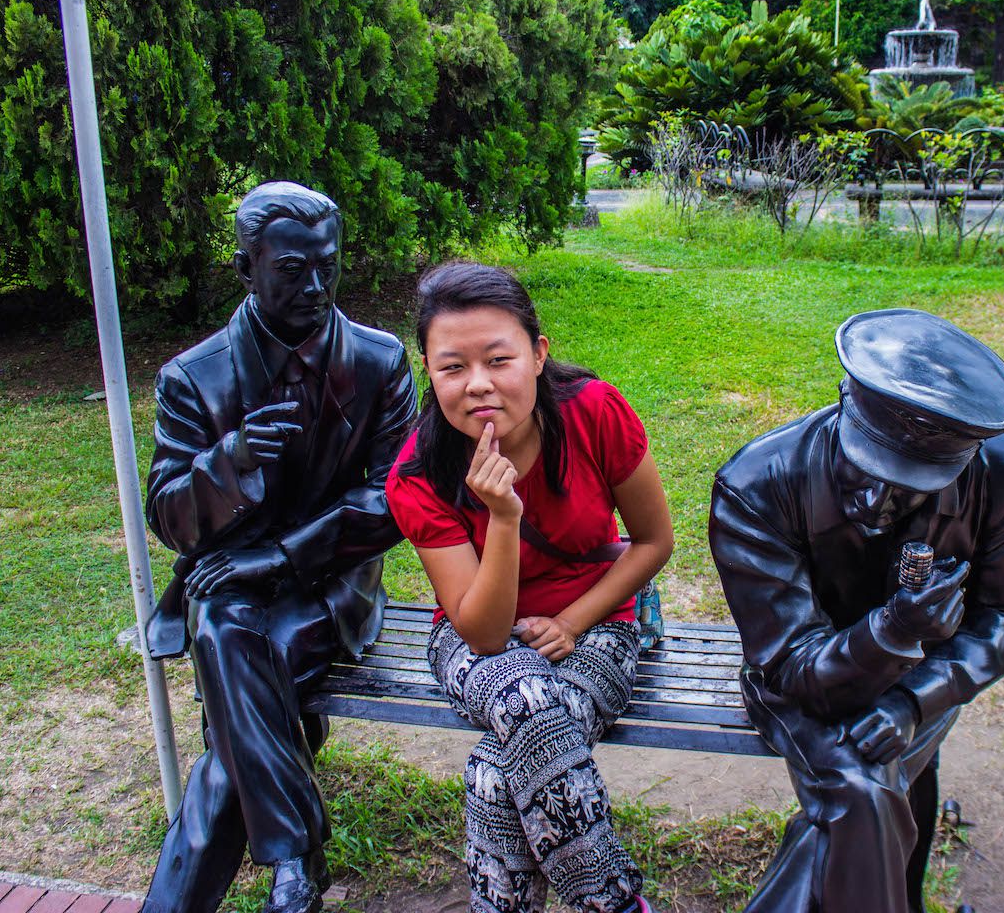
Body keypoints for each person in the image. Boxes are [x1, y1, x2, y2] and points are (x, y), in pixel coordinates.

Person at [708, 308, 1004, 913]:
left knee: (861, 794)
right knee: (863, 788)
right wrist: (893, 630)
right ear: (844, 405)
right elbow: (792, 669)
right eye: (864, 467)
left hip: (924, 678)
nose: (875, 500)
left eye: (911, 485)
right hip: (798, 685)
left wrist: (913, 702)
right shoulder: (757, 484)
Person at [140, 181, 417, 913]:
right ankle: (295, 864)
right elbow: (167, 519)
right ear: (247, 269)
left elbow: (395, 500)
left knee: (241, 670)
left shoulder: (378, 362)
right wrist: (226, 464)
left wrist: (283, 557)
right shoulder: (192, 380)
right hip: (224, 585)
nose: (316, 286)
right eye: (293, 270)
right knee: (230, 622)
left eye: (328, 265)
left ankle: (278, 866)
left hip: (328, 584)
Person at [386, 262, 673, 913]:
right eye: (453, 366)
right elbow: (483, 633)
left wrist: (572, 622)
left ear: (539, 355)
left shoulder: (594, 412)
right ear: (428, 372)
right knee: (522, 697)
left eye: (499, 358)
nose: (479, 385)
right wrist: (504, 517)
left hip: (597, 624)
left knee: (494, 775)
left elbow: (654, 541)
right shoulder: (417, 473)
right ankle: (615, 902)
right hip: (472, 636)